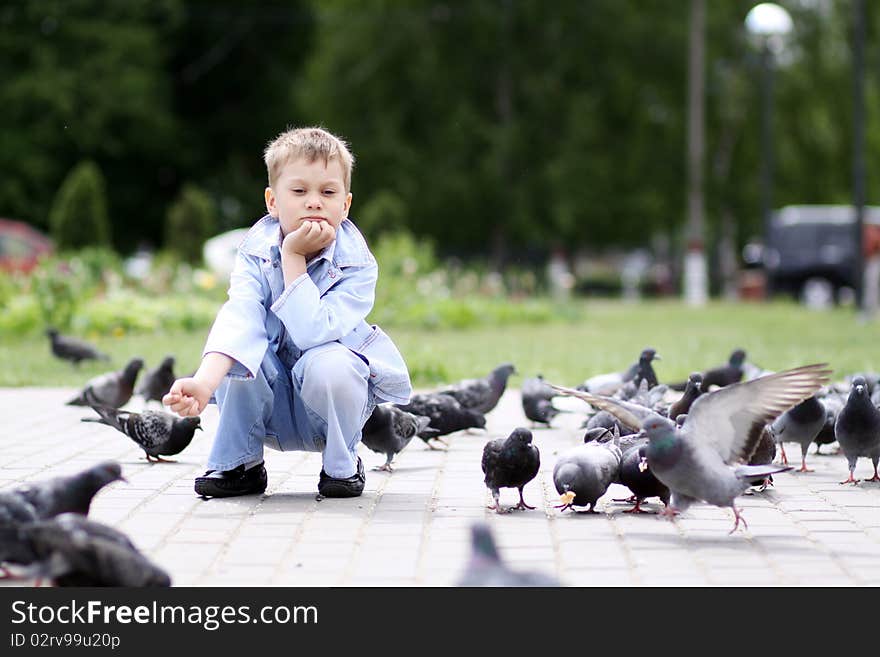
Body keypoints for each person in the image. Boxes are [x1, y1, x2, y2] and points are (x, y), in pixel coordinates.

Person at [163, 126, 412, 499]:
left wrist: (293, 257)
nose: (314, 202)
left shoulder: (357, 265)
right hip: (268, 406)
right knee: (242, 356)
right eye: (299, 191)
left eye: (328, 192)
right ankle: (239, 464)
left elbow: (315, 332)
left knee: (335, 362)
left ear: (345, 205)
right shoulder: (255, 255)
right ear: (272, 201)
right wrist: (203, 382)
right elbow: (239, 321)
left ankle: (340, 468)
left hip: (324, 407)